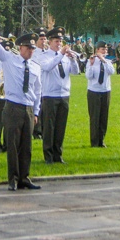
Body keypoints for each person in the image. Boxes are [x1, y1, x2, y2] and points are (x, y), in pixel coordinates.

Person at [0, 4, 41, 190]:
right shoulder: (10, 59)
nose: (31, 51)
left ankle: (25, 177)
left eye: (33, 48)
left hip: (28, 108)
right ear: (21, 47)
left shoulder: (35, 66)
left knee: (27, 147)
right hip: (13, 106)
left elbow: (38, 91)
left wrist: (36, 111)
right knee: (12, 144)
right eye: (28, 48)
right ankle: (13, 179)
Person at [38, 27, 80, 164]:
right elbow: (47, 67)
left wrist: (73, 60)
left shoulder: (65, 57)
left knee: (60, 127)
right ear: (50, 42)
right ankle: (48, 156)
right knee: (49, 128)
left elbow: (75, 72)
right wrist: (61, 55)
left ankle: (58, 155)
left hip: (64, 95)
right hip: (50, 96)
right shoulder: (44, 56)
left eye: (60, 41)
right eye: (56, 41)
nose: (59, 43)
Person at [85, 42, 115, 148]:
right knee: (95, 117)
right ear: (97, 50)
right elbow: (89, 76)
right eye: (102, 49)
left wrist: (104, 60)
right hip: (94, 91)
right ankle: (94, 141)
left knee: (103, 117)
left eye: (106, 49)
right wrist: (92, 64)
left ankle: (101, 140)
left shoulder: (108, 62)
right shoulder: (91, 61)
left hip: (105, 91)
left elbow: (112, 71)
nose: (104, 51)